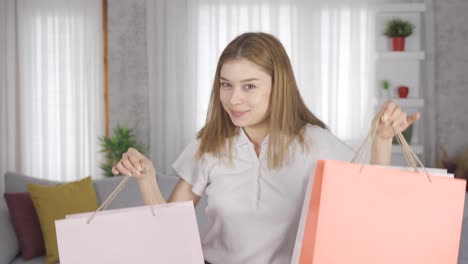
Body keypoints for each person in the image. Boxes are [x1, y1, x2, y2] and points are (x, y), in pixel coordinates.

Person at [112, 32, 420, 264]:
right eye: (226, 84)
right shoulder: (209, 143)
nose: (234, 99)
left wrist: (381, 140)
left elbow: (372, 202)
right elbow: (168, 229)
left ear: (278, 85)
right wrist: (147, 179)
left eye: (249, 86)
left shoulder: (314, 142)